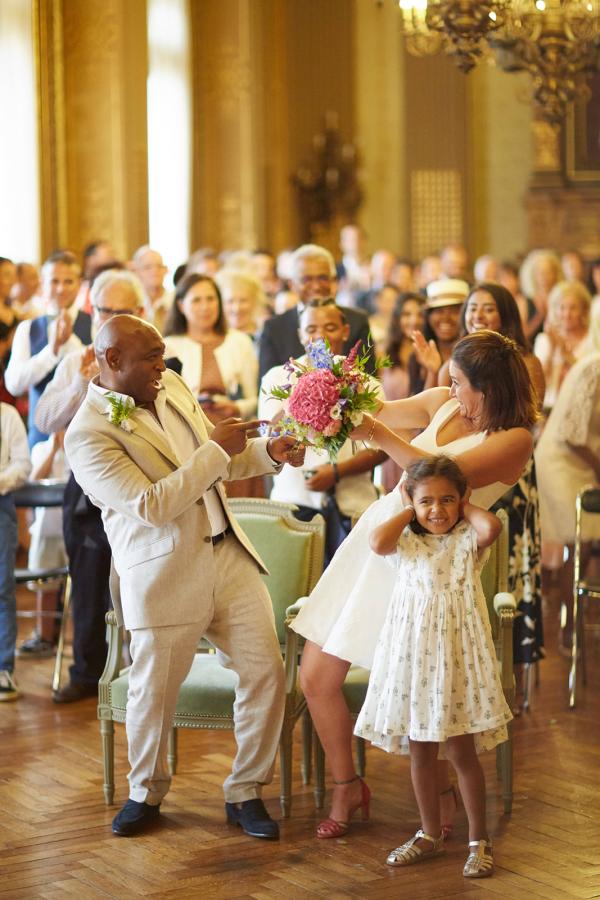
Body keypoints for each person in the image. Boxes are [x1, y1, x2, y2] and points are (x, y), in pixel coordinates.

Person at [64, 314, 305, 838]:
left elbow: (216, 465)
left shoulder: (169, 383)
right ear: (111, 361)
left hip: (228, 557)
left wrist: (269, 453)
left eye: (161, 352)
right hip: (163, 572)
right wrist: (216, 448)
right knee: (154, 693)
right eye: (149, 356)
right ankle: (144, 793)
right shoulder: (86, 434)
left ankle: (245, 791)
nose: (162, 364)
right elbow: (152, 505)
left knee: (266, 670)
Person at [292, 331, 536, 839]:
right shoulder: (445, 404)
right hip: (378, 542)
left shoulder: (514, 440)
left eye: (460, 382)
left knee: (427, 691)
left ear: (488, 389)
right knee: (314, 675)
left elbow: (432, 480)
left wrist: (378, 434)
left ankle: (442, 802)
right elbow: (383, 407)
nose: (450, 389)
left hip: (432, 573)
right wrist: (336, 395)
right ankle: (347, 784)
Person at [355, 456, 508, 878]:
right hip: (414, 659)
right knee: (420, 751)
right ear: (411, 502)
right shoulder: (405, 541)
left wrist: (462, 504)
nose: (437, 510)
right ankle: (428, 832)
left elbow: (491, 527)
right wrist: (409, 503)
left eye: (447, 500)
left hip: (455, 662)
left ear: (463, 500)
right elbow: (376, 542)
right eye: (428, 502)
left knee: (461, 751)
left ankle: (479, 839)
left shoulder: (465, 540)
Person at [35, 270, 146, 702]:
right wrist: (83, 383)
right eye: (105, 310)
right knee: (86, 580)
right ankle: (86, 673)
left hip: (137, 488)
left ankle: (140, 673)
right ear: (91, 311)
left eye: (124, 311)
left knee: (137, 581)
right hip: (83, 491)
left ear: (141, 313)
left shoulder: (159, 361)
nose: (113, 318)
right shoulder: (76, 359)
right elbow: (45, 420)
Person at [438, 283, 546, 700]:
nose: (478, 315)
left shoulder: (523, 363)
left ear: (505, 316)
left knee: (510, 569)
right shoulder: (457, 361)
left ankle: (510, 675)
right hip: (464, 469)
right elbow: (448, 411)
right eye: (473, 308)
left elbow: (520, 417)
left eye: (488, 309)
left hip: (507, 475)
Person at [259, 304, 386, 564]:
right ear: (301, 335)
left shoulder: (364, 382)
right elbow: (268, 433)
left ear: (344, 331)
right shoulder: (276, 377)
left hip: (351, 503)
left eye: (329, 328)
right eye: (311, 329)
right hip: (293, 503)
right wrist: (302, 390)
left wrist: (337, 472)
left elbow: (381, 447)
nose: (320, 336)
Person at [535, 303, 600, 652]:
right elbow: (573, 434)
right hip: (563, 460)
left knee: (586, 547)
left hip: (585, 458)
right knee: (576, 545)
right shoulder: (594, 366)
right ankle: (569, 631)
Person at [163, 274, 261, 498]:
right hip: (191, 439)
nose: (205, 307)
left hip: (236, 435)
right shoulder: (170, 346)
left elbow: (256, 398)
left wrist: (237, 407)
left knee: (242, 506)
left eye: (211, 299)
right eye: (196, 300)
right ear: (181, 305)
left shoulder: (240, 342)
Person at [4, 250, 91, 448]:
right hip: (41, 437)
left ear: (79, 284)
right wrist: (51, 352)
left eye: (68, 281)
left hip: (86, 435)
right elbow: (14, 384)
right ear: (42, 284)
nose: (61, 289)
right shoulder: (28, 328)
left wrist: (71, 342)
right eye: (54, 281)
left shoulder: (94, 324)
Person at [258, 244, 372, 382]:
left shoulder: (357, 321)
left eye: (322, 278)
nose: (316, 286)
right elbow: (267, 389)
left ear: (334, 280)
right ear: (292, 284)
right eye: (307, 279)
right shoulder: (274, 328)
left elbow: (367, 381)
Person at [0, 401, 31, 700]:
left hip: (0, 504)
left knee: (1, 589)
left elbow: (22, 464)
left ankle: (3, 669)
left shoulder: (7, 416)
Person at [533, 279, 591, 413]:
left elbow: (590, 379)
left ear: (583, 310)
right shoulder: (544, 339)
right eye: (562, 307)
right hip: (548, 408)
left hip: (582, 407)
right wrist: (552, 350)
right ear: (554, 310)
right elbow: (537, 383)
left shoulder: (592, 340)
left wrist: (567, 355)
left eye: (573, 308)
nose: (567, 314)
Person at [408, 278, 469, 393]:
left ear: (467, 315)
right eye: (439, 311)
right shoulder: (418, 356)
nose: (446, 318)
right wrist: (432, 372)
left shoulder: (475, 356)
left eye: (454, 311)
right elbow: (420, 407)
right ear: (428, 316)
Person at [131, 245, 172, 334]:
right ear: (137, 272)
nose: (154, 271)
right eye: (148, 267)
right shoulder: (132, 302)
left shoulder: (174, 301)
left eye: (159, 266)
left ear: (166, 270)